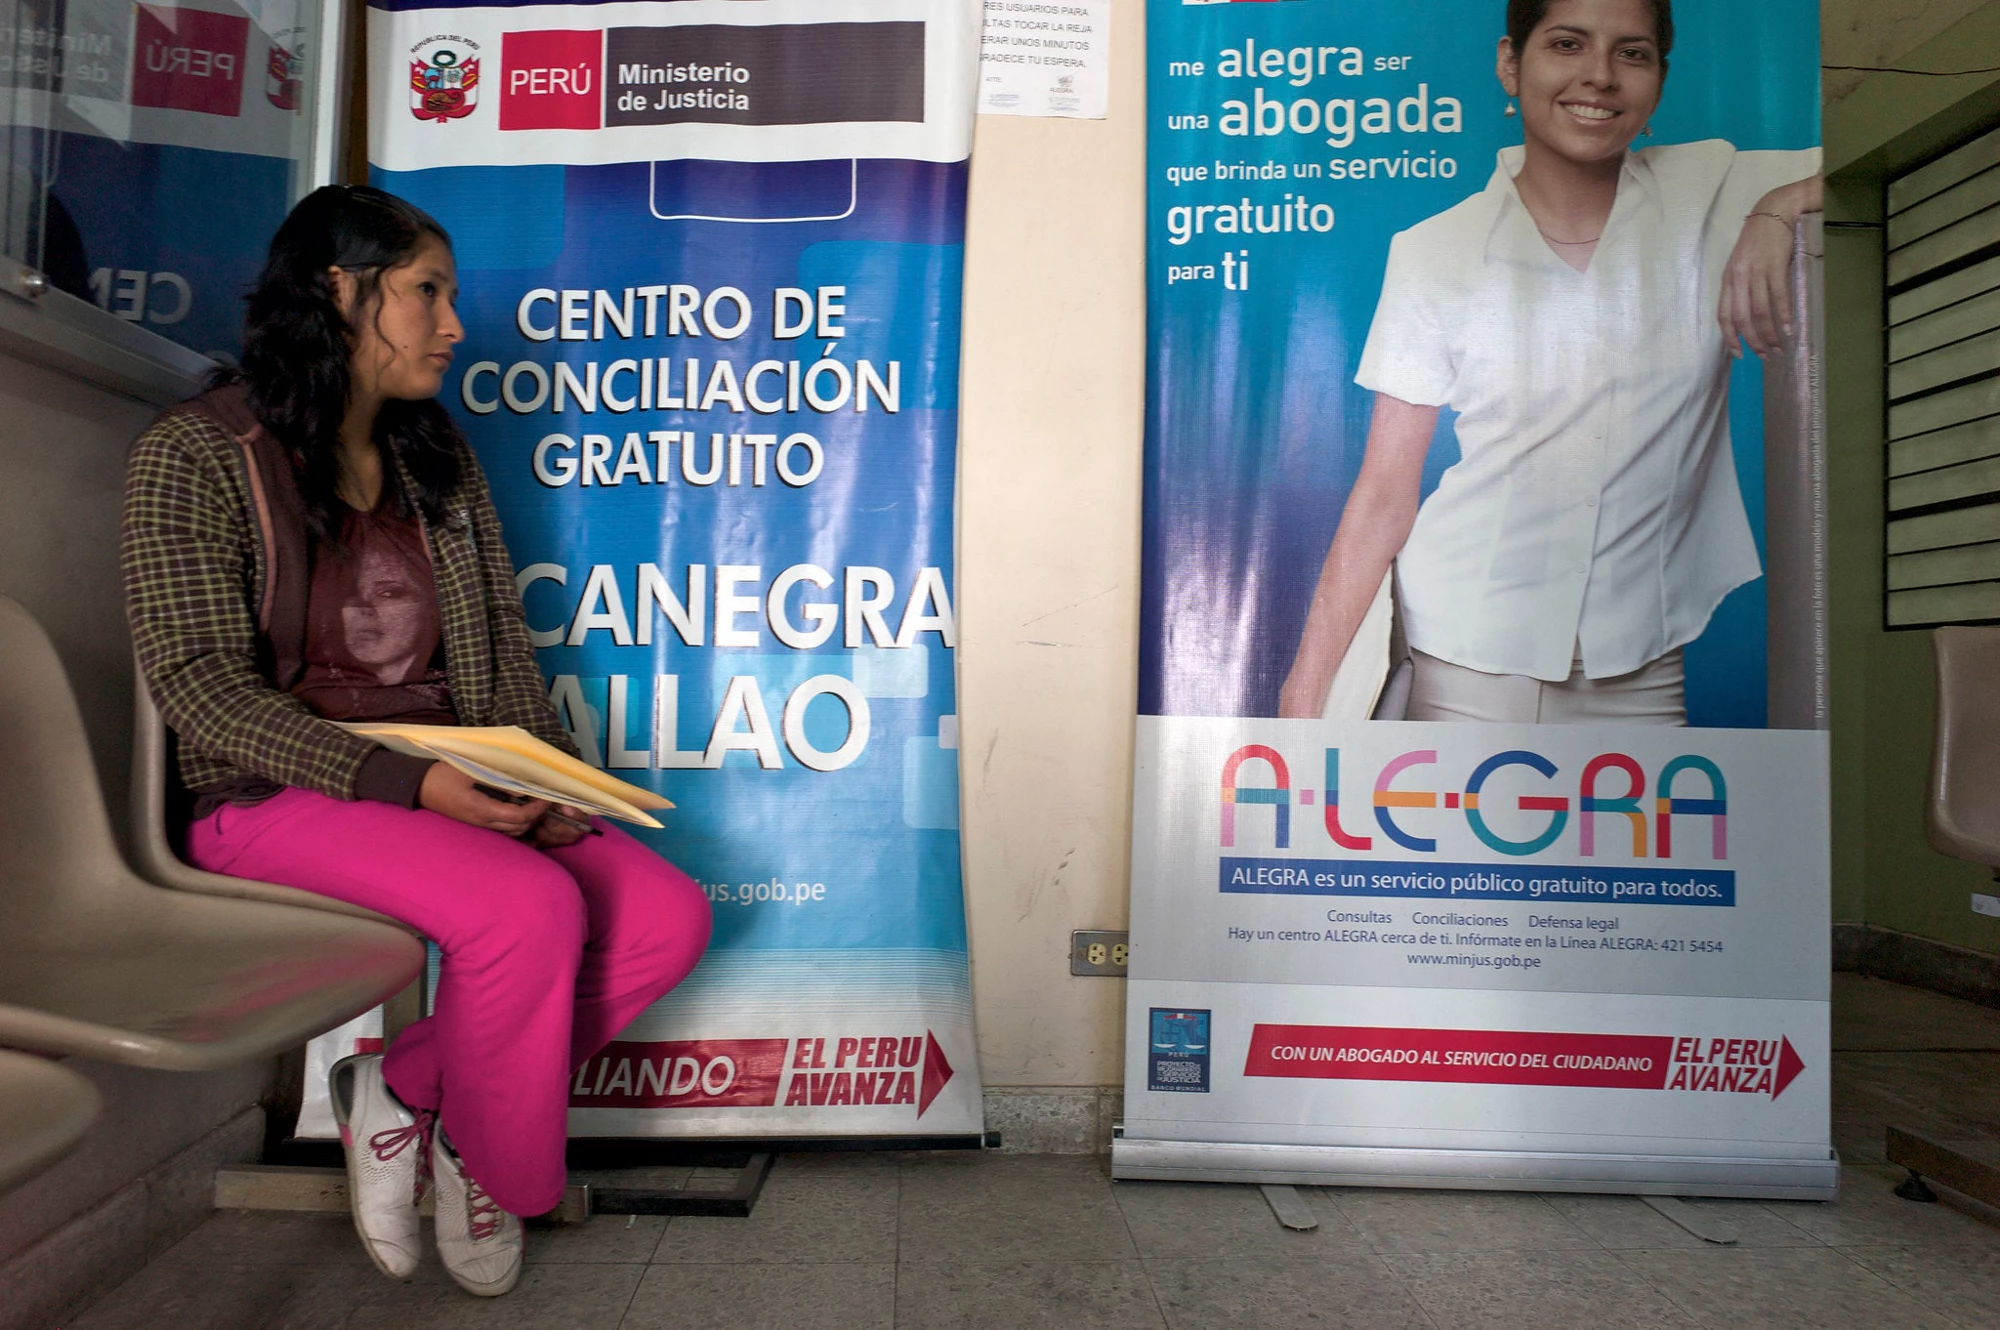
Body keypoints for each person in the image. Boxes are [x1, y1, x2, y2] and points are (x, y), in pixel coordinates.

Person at [120, 185, 712, 1296]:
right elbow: (198, 688)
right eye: (426, 292)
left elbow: (501, 654)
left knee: (665, 920)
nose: (453, 324)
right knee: (526, 909)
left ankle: (408, 1091)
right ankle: (495, 1163)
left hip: (457, 774)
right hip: (267, 793)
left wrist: (545, 779)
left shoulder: (436, 453)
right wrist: (411, 780)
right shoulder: (192, 454)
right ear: (338, 290)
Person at [1278, 0, 1822, 725]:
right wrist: (1303, 697)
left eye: (1632, 54)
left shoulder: (1715, 193)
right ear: (1511, 63)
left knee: (1651, 843)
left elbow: (1888, 141)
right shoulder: (1434, 251)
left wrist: (1776, 210)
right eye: (1567, 44)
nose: (1598, 76)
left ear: (1660, 78)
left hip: (1642, 665)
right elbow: (1383, 494)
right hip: (1463, 658)